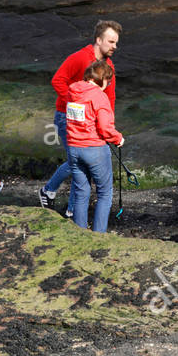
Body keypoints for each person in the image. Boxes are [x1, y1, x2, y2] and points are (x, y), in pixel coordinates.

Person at [39, 20, 120, 210]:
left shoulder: (109, 67)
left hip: (91, 122)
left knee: (80, 163)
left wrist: (109, 126)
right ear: (98, 40)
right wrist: (76, 103)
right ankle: (69, 208)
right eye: (111, 42)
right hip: (66, 117)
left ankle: (58, 198)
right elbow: (57, 80)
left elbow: (110, 97)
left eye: (116, 42)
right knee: (79, 164)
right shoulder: (79, 58)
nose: (115, 46)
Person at [62, 59, 124, 232]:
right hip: (94, 150)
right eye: (108, 81)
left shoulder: (72, 91)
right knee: (104, 193)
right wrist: (118, 138)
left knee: (81, 193)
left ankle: (80, 234)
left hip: (74, 149)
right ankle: (99, 236)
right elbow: (105, 128)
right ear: (102, 79)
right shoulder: (99, 96)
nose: (108, 85)